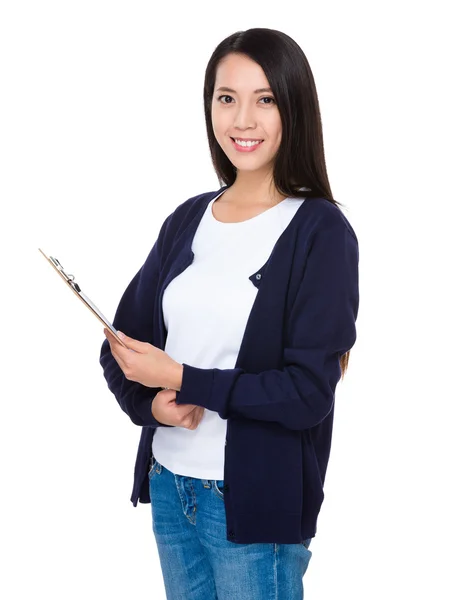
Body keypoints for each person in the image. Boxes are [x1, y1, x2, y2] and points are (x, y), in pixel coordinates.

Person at [99, 27, 359, 600]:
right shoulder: (189, 218)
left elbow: (307, 393)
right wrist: (153, 405)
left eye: (265, 99)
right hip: (170, 489)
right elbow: (119, 343)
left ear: (294, 107)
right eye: (227, 98)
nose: (243, 119)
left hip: (250, 506)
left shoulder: (320, 230)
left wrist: (184, 379)